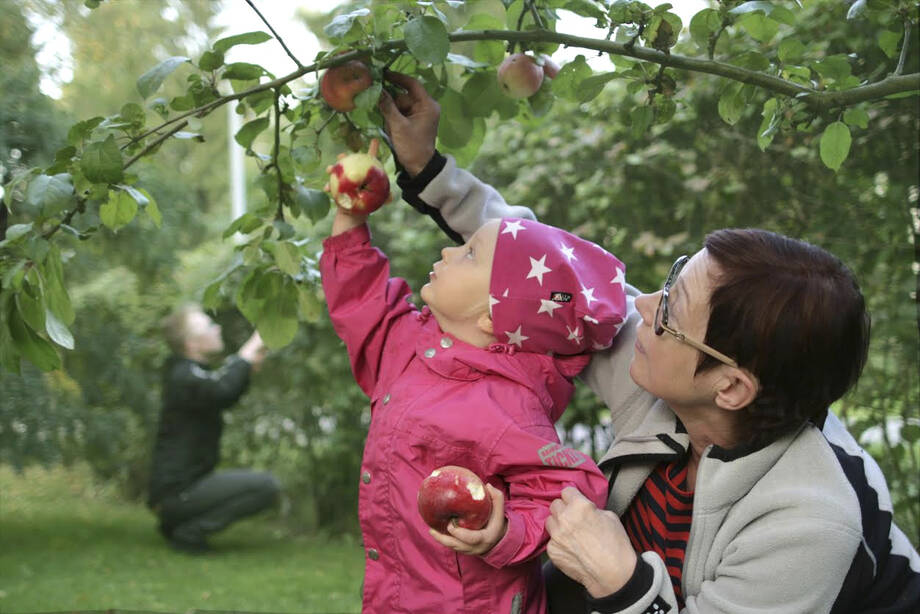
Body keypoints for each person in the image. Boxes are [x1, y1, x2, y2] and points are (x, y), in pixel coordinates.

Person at [376, 71, 920, 613]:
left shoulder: (807, 522)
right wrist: (428, 167)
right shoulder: (673, 377)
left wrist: (623, 582)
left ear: (730, 387)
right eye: (670, 283)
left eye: (670, 314)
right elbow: (536, 272)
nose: (639, 309)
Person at [320, 140, 629, 613]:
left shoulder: (504, 405)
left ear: (492, 318)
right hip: (398, 595)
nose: (448, 250)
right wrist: (350, 217)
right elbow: (362, 302)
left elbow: (569, 489)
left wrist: (503, 533)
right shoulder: (409, 344)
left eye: (467, 255)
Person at [147, 304, 280, 553]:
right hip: (177, 493)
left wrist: (246, 361)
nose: (216, 327)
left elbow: (222, 385)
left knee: (262, 486)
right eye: (208, 326)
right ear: (191, 343)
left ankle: (177, 523)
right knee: (265, 487)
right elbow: (222, 390)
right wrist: (250, 349)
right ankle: (189, 532)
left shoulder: (191, 373)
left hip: (181, 491)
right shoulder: (183, 376)